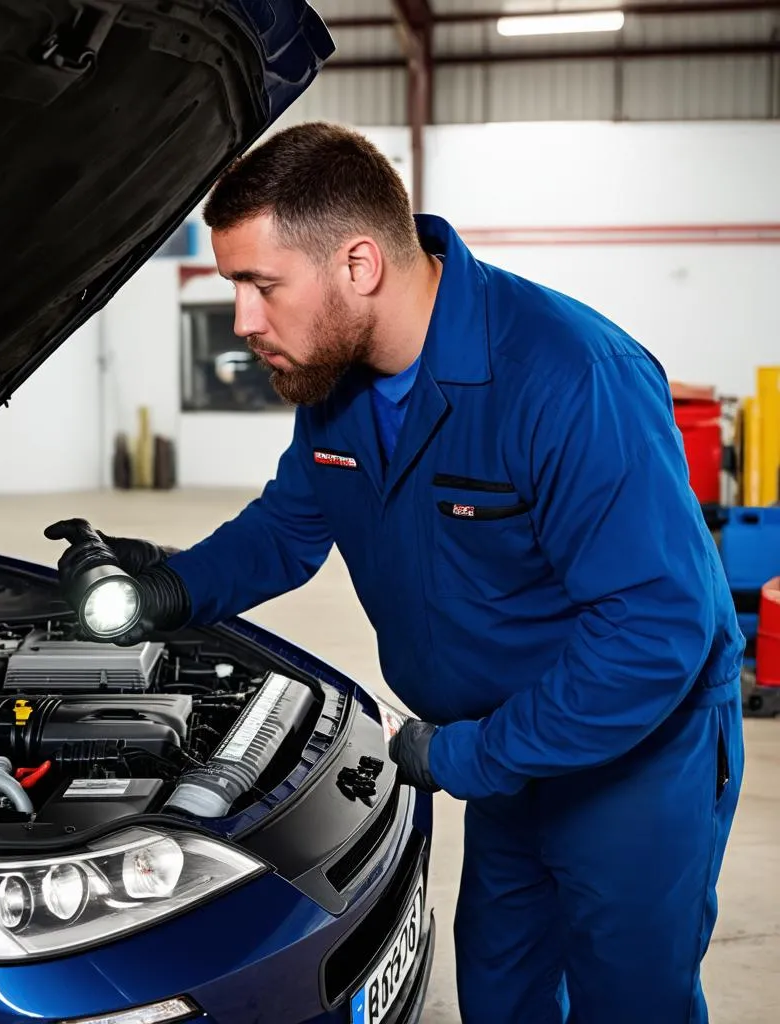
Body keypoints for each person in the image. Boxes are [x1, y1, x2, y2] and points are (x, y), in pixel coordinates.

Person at [47, 122, 745, 1024]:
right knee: (500, 992)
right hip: (506, 748)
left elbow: (656, 632)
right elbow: (287, 529)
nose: (244, 323)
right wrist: (165, 591)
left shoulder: (568, 377)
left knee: (630, 1002)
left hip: (635, 756)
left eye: (260, 285)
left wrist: (463, 754)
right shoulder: (337, 392)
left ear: (359, 265)